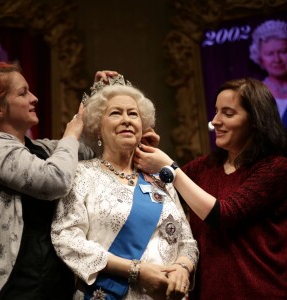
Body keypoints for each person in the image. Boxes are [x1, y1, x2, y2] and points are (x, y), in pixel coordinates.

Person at [134, 78, 287, 299]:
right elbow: (160, 199)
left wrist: (171, 169)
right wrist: (146, 151)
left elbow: (224, 215)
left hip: (262, 290)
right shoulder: (204, 167)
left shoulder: (276, 168)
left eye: (228, 113)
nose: (215, 121)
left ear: (255, 120)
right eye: (216, 112)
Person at [51, 75, 199, 300]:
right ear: (98, 127)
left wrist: (182, 268)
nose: (126, 120)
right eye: (115, 113)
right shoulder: (82, 173)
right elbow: (66, 238)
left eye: (133, 114)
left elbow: (187, 242)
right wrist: (135, 271)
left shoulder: (160, 178)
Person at [0, 63, 121, 300]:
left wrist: (100, 93)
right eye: (23, 92)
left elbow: (90, 149)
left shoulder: (40, 149)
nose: (35, 98)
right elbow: (54, 180)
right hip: (16, 285)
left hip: (56, 281)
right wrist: (71, 132)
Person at [249, 19, 287, 127]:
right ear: (259, 57)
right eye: (270, 54)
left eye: (283, 51)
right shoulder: (254, 95)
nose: (277, 59)